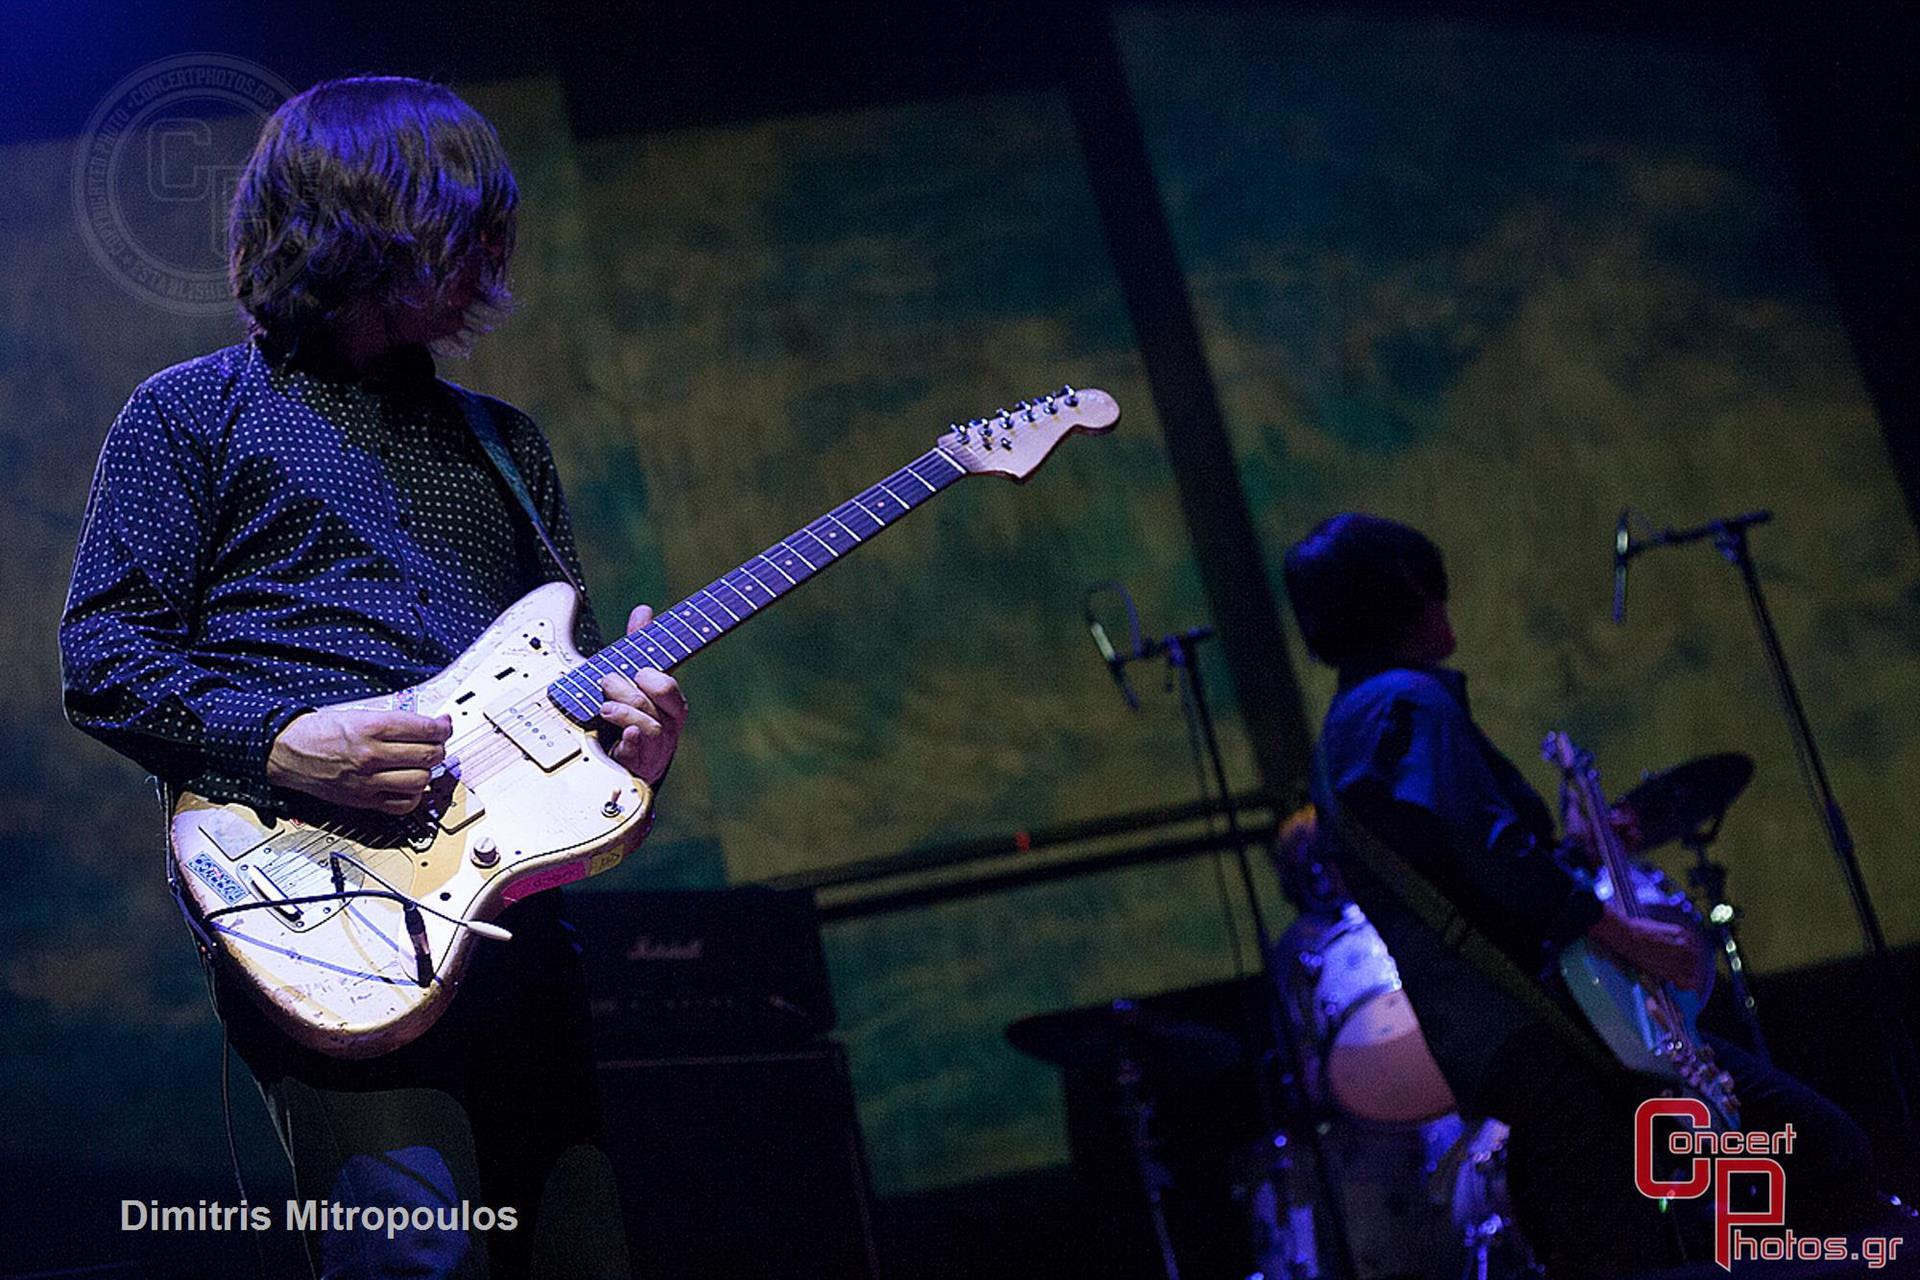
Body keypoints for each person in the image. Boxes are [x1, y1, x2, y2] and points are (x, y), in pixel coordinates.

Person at [59, 76, 685, 1279]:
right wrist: (286, 737)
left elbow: (578, 688)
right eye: (461, 222)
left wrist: (638, 744)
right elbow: (103, 656)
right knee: (414, 1261)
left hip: (514, 927)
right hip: (316, 907)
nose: (488, 257)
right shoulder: (191, 415)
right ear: (360, 220)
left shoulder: (505, 442)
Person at [1283, 512, 1887, 1277]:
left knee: (1626, 1239)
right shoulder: (1408, 702)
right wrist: (1635, 940)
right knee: (1819, 1153)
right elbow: (1495, 859)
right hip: (1553, 1022)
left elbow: (1454, 867)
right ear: (1405, 593)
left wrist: (1569, 851)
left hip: (1509, 1039)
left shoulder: (1344, 731)